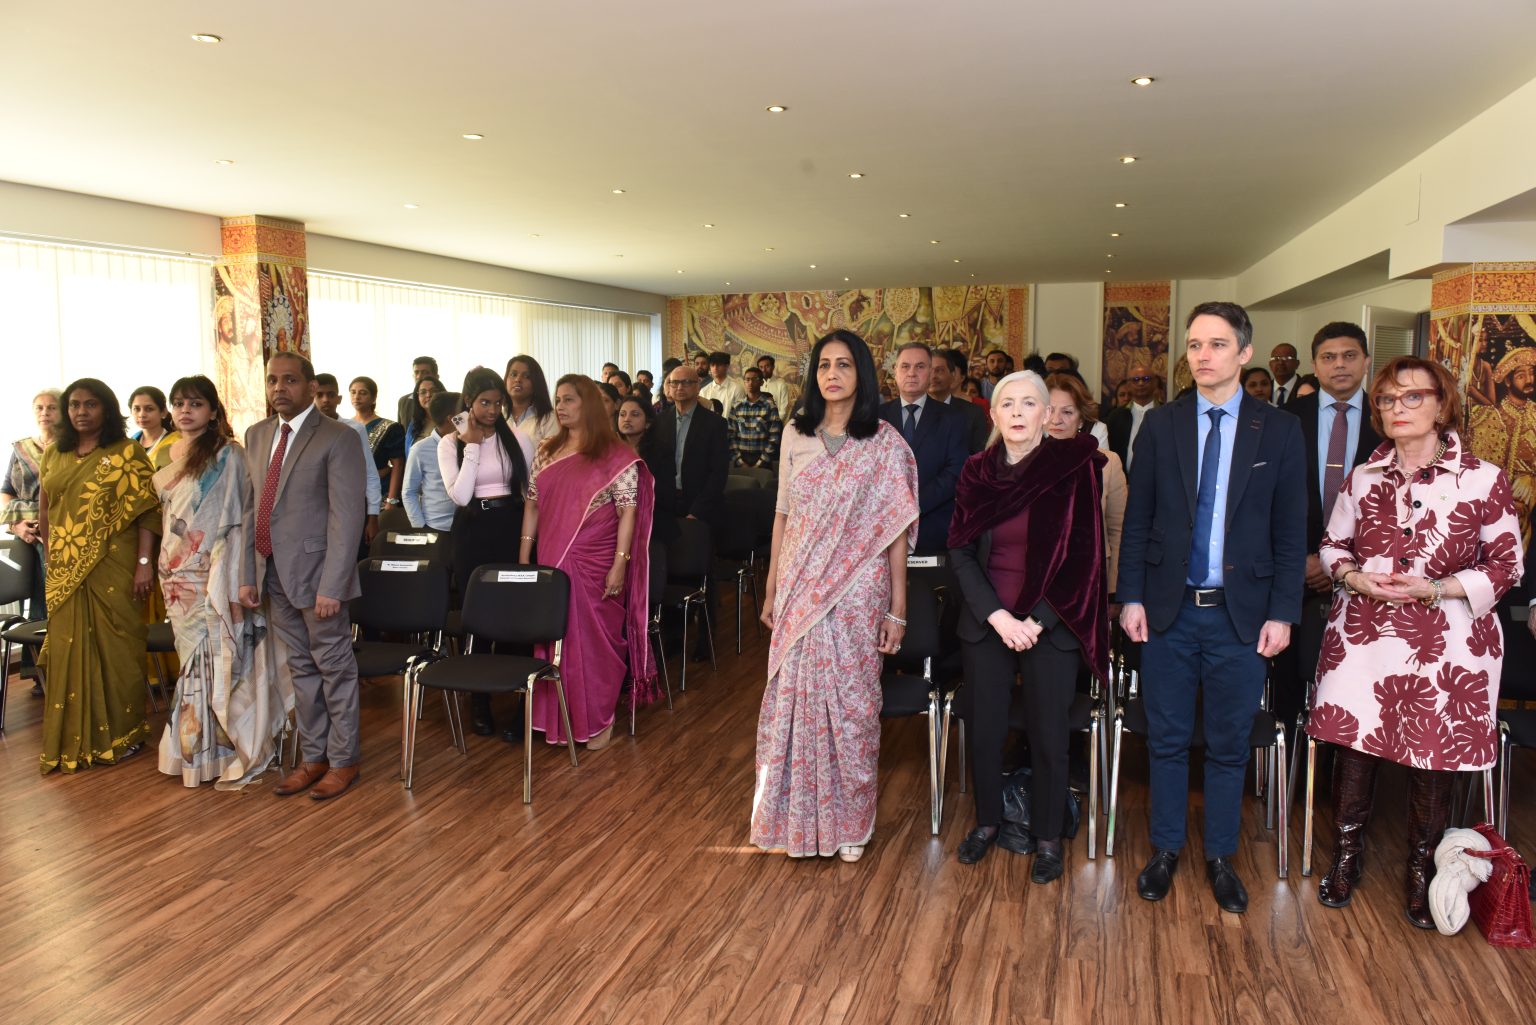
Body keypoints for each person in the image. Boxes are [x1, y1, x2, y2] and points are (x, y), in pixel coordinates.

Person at [1308, 356, 1521, 927]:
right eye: (1386, 399)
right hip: (1364, 634)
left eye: (1411, 397)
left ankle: (1422, 869)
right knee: (1354, 746)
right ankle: (1346, 856)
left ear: (1441, 404)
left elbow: (1506, 565)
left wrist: (1438, 587)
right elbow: (1332, 545)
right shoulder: (1363, 476)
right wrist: (1352, 577)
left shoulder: (1483, 478)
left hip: (1450, 640)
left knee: (1433, 752)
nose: (1395, 408)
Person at [1118, 301, 1306, 914]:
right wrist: (1131, 596)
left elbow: (1290, 532)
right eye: (1195, 344)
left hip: (1241, 615)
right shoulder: (1162, 425)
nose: (1203, 355)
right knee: (1167, 739)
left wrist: (1283, 611)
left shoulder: (1279, 429)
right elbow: (1138, 520)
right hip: (1168, 611)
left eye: (1218, 344)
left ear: (1244, 352)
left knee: (1228, 744)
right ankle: (1166, 849)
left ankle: (1221, 856)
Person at [752, 329, 919, 862]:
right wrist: (772, 587)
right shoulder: (795, 434)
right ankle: (795, 823)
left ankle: (850, 825)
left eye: (844, 364)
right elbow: (782, 515)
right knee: (793, 702)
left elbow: (895, 530)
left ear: (861, 374)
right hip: (799, 585)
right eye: (824, 365)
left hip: (858, 590)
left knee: (852, 707)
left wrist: (898, 607)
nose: (832, 374)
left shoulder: (884, 443)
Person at [949, 371, 1107, 881]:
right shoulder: (976, 470)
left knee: (1049, 733)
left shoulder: (1074, 467)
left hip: (1050, 621)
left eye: (1029, 403)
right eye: (1007, 403)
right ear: (994, 414)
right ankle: (987, 822)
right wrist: (998, 616)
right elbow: (959, 549)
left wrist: (1035, 621)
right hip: (988, 619)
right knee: (987, 728)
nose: (1018, 412)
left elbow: (1084, 555)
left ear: (1047, 414)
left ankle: (1047, 837)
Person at [154, 375, 291, 787]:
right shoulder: (166, 452)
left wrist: (226, 569)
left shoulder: (229, 454)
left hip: (213, 571)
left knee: (215, 661)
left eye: (195, 403)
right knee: (190, 662)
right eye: (179, 403)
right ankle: (193, 751)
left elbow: (239, 516)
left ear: (213, 411)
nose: (185, 411)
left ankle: (219, 752)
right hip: (174, 574)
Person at [242, 352, 367, 801]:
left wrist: (334, 585)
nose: (279, 388)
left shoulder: (338, 437)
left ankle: (344, 760)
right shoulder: (257, 434)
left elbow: (347, 518)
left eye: (290, 380)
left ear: (311, 387)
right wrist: (248, 573)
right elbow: (252, 509)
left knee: (334, 668)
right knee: (300, 668)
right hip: (273, 571)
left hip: (319, 577)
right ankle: (314, 758)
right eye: (272, 380)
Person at [519, 376, 657, 751]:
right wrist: (524, 557)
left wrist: (620, 564)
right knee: (553, 636)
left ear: (589, 405)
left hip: (595, 562)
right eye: (558, 399)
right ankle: (557, 720)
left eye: (569, 400)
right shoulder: (547, 450)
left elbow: (628, 513)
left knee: (595, 644)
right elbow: (532, 504)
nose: (560, 406)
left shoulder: (615, 455)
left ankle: (598, 719)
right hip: (551, 557)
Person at [37, 378, 160, 772]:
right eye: (74, 404)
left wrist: (145, 563)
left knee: (118, 646)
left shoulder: (126, 453)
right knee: (69, 649)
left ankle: (124, 734)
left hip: (116, 564)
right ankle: (75, 737)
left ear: (106, 409)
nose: (81, 411)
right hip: (66, 568)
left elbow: (147, 511)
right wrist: (53, 554)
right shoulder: (54, 453)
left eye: (90, 404)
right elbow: (46, 507)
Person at [1274, 322, 1379, 730]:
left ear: (1366, 362)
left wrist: (1341, 562)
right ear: (1314, 366)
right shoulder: (1284, 420)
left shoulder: (1389, 420)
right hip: (1294, 574)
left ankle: (1344, 761)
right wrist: (1303, 557)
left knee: (1356, 689)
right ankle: (1289, 760)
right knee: (1288, 684)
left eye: (1349, 356)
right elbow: (1266, 501)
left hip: (1367, 577)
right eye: (1328, 357)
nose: (1339, 365)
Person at [438, 368, 535, 739]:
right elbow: (461, 495)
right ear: (468, 402)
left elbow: (529, 492)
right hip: (473, 531)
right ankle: (478, 701)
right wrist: (473, 446)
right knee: (478, 618)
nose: (493, 410)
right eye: (484, 402)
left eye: (498, 402)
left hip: (510, 527)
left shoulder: (518, 439)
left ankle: (519, 703)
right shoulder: (450, 443)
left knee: (516, 616)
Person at [878, 342, 969, 553]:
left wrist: (913, 505)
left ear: (930, 372)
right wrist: (894, 507)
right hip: (884, 528)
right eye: (905, 366)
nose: (912, 373)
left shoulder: (953, 418)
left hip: (934, 528)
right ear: (895, 371)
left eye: (920, 366)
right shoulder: (876, 418)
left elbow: (956, 470)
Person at [1046, 374, 1127, 605]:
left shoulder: (1108, 463)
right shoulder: (1023, 462)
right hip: (1037, 582)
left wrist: (1114, 591)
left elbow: (1118, 531)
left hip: (1092, 581)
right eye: (1050, 410)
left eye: (1067, 412)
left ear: (1081, 419)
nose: (1057, 420)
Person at [3, 389, 61, 690]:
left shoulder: (71, 447)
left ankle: (64, 671)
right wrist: (18, 526)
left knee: (57, 600)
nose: (45, 413)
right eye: (39, 407)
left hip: (62, 534)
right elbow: (6, 492)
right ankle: (41, 673)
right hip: (29, 536)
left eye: (52, 407)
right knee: (37, 601)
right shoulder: (22, 449)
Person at [653, 364, 729, 526]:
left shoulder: (715, 424)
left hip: (701, 507)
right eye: (674, 382)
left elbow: (718, 473)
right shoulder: (659, 421)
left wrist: (697, 511)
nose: (679, 387)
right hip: (665, 505)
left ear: (698, 386)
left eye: (686, 382)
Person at [314, 374, 382, 545]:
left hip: (349, 510)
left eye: (330, 395)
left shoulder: (354, 429)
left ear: (339, 399)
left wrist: (373, 517)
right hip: (313, 513)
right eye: (319, 395)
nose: (325, 400)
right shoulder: (303, 432)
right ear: (311, 397)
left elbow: (369, 473)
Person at [618, 395, 678, 545]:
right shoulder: (610, 451)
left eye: (635, 414)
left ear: (648, 423)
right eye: (622, 414)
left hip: (653, 524)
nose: (627, 419)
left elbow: (666, 495)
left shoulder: (661, 452)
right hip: (616, 524)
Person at [401, 392, 459, 532]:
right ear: (451, 419)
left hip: (468, 525)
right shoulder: (420, 449)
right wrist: (420, 527)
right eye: (465, 413)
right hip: (437, 526)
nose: (470, 417)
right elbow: (409, 492)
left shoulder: (470, 444)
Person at [350, 376, 405, 511]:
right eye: (353, 392)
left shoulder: (389, 427)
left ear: (374, 398)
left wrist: (392, 500)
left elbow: (398, 465)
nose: (357, 397)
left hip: (379, 494)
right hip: (350, 495)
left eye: (363, 393)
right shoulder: (345, 426)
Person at [930, 348, 991, 454]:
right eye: (929, 370)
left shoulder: (973, 413)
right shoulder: (911, 411)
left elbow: (980, 456)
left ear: (952, 375)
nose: (933, 376)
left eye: (939, 370)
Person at [1105, 362, 1160, 470]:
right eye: (1135, 380)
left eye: (1146, 379)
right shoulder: (1116, 416)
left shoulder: (1167, 414)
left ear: (1155, 383)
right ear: (1128, 385)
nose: (1140, 383)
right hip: (1123, 477)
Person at [727, 366, 782, 469]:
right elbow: (730, 436)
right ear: (744, 382)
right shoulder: (736, 407)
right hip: (740, 459)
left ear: (761, 382)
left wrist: (761, 462)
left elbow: (774, 437)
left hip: (763, 459)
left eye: (755, 379)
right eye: (747, 379)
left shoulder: (770, 406)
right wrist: (739, 461)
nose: (750, 383)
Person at [504, 354, 558, 447]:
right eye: (513, 374)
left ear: (536, 383)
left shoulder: (549, 419)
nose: (518, 379)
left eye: (526, 376)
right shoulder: (497, 417)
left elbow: (551, 454)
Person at [129, 386, 178, 468]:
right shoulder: (130, 443)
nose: (142, 414)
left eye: (149, 409)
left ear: (163, 412)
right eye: (137, 409)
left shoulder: (177, 441)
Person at [402, 374, 444, 451]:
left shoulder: (450, 420)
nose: (428, 395)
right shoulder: (414, 424)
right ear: (417, 397)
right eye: (423, 392)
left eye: (433, 391)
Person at [394, 356, 439, 426]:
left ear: (436, 376)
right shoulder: (404, 401)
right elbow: (401, 430)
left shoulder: (451, 401)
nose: (419, 376)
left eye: (425, 372)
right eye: (416, 372)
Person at [757, 353, 797, 419]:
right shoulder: (756, 384)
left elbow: (783, 411)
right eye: (761, 367)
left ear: (773, 367)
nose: (763, 370)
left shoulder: (781, 384)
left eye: (767, 366)